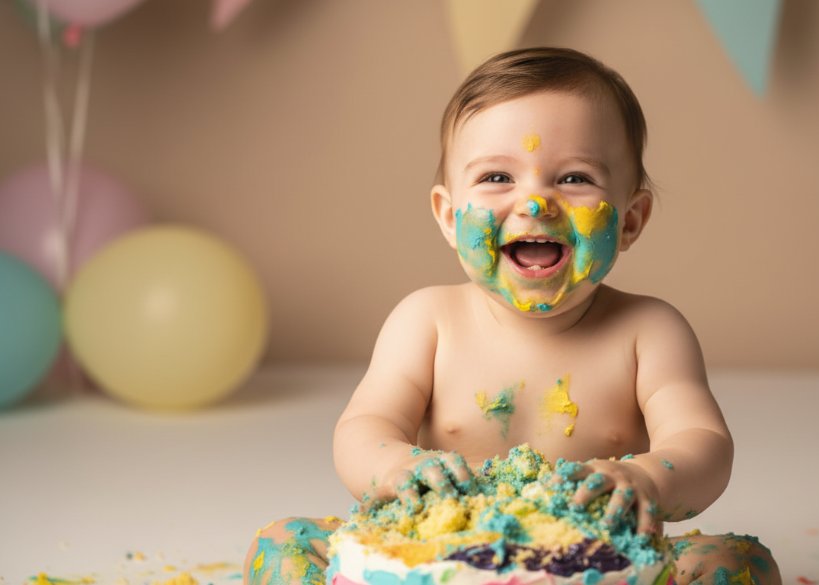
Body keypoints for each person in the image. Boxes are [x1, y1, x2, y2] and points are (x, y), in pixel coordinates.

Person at [244, 47, 781, 585]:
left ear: (631, 219)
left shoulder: (649, 333)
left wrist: (644, 479)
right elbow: (364, 427)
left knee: (739, 563)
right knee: (281, 544)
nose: (534, 203)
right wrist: (395, 467)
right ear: (450, 217)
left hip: (600, 563)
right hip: (438, 560)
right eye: (498, 178)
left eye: (573, 178)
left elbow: (704, 444)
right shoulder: (427, 321)